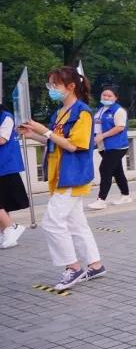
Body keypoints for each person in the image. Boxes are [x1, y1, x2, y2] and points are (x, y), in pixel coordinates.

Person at [17, 66, 106, 290]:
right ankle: (95, 265)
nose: (51, 88)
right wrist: (34, 134)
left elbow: (74, 146)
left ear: (71, 86)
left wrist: (45, 131)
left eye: (55, 84)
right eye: (50, 84)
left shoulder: (83, 113)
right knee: (77, 223)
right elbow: (55, 143)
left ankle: (73, 268)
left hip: (72, 175)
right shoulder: (60, 113)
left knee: (52, 222)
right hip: (60, 174)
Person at [87, 88, 131, 210]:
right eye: (104, 95)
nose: (106, 97)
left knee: (105, 169)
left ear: (115, 97)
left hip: (117, 146)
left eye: (109, 96)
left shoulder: (119, 111)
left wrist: (103, 136)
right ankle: (126, 195)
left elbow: (120, 127)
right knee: (117, 171)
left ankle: (101, 200)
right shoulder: (100, 110)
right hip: (104, 146)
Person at [0, 106, 30, 249]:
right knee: (3, 204)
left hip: (6, 166)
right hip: (3, 168)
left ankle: (12, 227)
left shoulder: (6, 117)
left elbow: (2, 139)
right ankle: (6, 232)